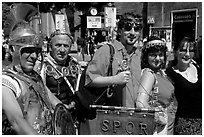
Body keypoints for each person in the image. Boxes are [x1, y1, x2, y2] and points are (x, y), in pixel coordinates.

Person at [79, 12, 143, 134]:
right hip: (110, 119)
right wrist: (114, 79)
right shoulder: (107, 50)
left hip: (133, 119)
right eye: (128, 28)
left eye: (137, 29)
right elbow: (90, 79)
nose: (133, 32)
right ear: (119, 31)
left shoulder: (139, 54)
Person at [2, 21, 63, 135]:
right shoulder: (7, 82)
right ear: (12, 50)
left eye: (36, 51)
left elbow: (57, 106)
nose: (34, 56)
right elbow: (16, 122)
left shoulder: (35, 78)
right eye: (28, 51)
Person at [40, 30, 82, 132]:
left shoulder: (76, 65)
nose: (62, 50)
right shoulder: (42, 66)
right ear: (50, 47)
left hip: (73, 118)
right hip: (51, 119)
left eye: (66, 46)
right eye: (58, 45)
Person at [136, 36, 177, 135]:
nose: (157, 59)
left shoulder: (161, 73)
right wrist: (158, 118)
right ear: (146, 57)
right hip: (156, 129)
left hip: (166, 126)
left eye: (160, 55)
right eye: (153, 55)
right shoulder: (149, 74)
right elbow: (140, 103)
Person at [165, 37, 202, 135]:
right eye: (183, 50)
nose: (187, 54)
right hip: (183, 125)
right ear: (175, 52)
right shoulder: (169, 74)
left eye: (191, 51)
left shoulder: (200, 69)